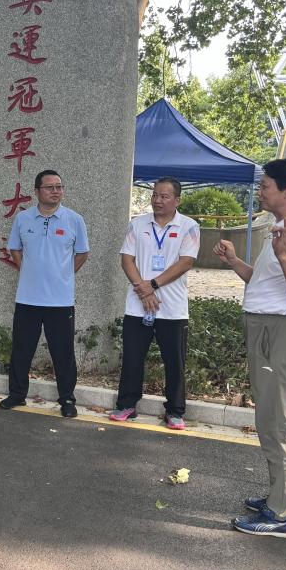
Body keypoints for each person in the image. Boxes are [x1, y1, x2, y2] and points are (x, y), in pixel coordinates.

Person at [217, 159, 286, 538]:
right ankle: (284, 499)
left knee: (280, 421)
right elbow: (263, 283)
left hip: (283, 331)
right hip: (268, 327)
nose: (260, 191)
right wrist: (235, 262)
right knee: (273, 418)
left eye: (265, 185)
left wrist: (283, 256)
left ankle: (281, 514)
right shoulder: (281, 227)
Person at [108, 177, 200, 430]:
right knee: (132, 358)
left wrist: (153, 285)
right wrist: (145, 290)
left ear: (177, 200)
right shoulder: (137, 224)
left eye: (164, 196)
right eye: (155, 195)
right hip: (138, 305)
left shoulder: (189, 226)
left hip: (172, 309)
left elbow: (186, 262)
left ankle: (175, 411)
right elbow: (127, 260)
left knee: (174, 362)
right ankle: (126, 404)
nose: (158, 200)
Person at [0, 170, 89, 417]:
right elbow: (15, 248)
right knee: (22, 349)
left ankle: (67, 399)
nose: (55, 191)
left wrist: (63, 274)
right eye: (50, 187)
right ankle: (17, 394)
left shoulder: (74, 220)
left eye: (59, 186)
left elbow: (82, 253)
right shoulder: (23, 219)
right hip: (28, 298)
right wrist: (27, 270)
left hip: (60, 301)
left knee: (63, 353)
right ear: (37, 191)